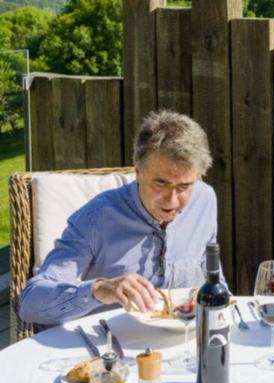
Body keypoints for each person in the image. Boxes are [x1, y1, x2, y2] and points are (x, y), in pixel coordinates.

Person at [19, 110, 221, 326]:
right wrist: (99, 289)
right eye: (160, 184)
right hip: (110, 348)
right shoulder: (95, 219)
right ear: (137, 170)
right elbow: (30, 303)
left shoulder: (204, 200)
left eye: (184, 186)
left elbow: (211, 275)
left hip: (185, 342)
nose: (172, 201)